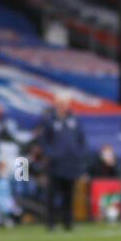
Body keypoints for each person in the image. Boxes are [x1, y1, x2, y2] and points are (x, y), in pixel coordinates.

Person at [40, 98, 89, 231]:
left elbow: (82, 139)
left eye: (64, 104)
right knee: (52, 194)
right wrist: (51, 154)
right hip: (55, 164)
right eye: (60, 104)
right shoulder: (50, 120)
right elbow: (44, 141)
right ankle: (50, 223)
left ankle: (68, 222)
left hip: (71, 163)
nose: (62, 107)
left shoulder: (74, 120)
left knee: (69, 194)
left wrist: (78, 154)